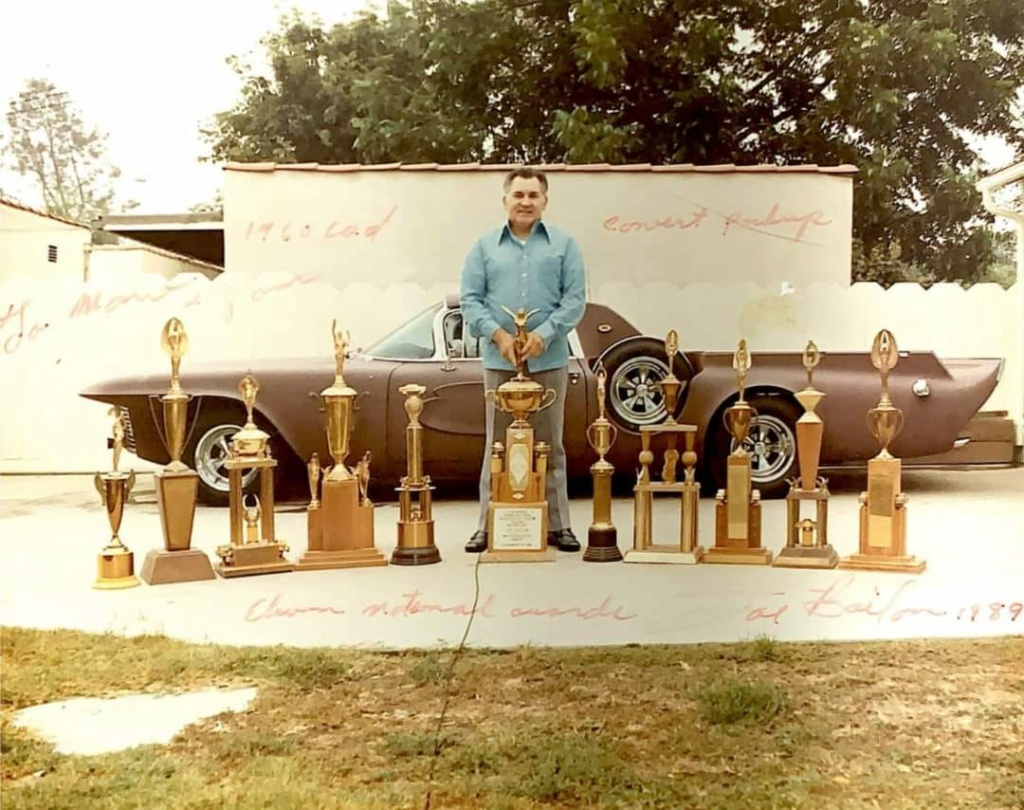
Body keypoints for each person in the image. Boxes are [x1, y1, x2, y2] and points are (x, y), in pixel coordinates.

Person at [459, 167, 587, 553]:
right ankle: (488, 524)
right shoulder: (483, 248)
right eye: (519, 195)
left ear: (545, 201)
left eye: (533, 195)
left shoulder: (565, 246)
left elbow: (575, 300)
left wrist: (542, 336)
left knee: (550, 443)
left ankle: (558, 525)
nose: (525, 202)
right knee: (497, 443)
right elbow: (470, 300)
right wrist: (497, 335)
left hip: (548, 359)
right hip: (500, 362)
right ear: (505, 200)